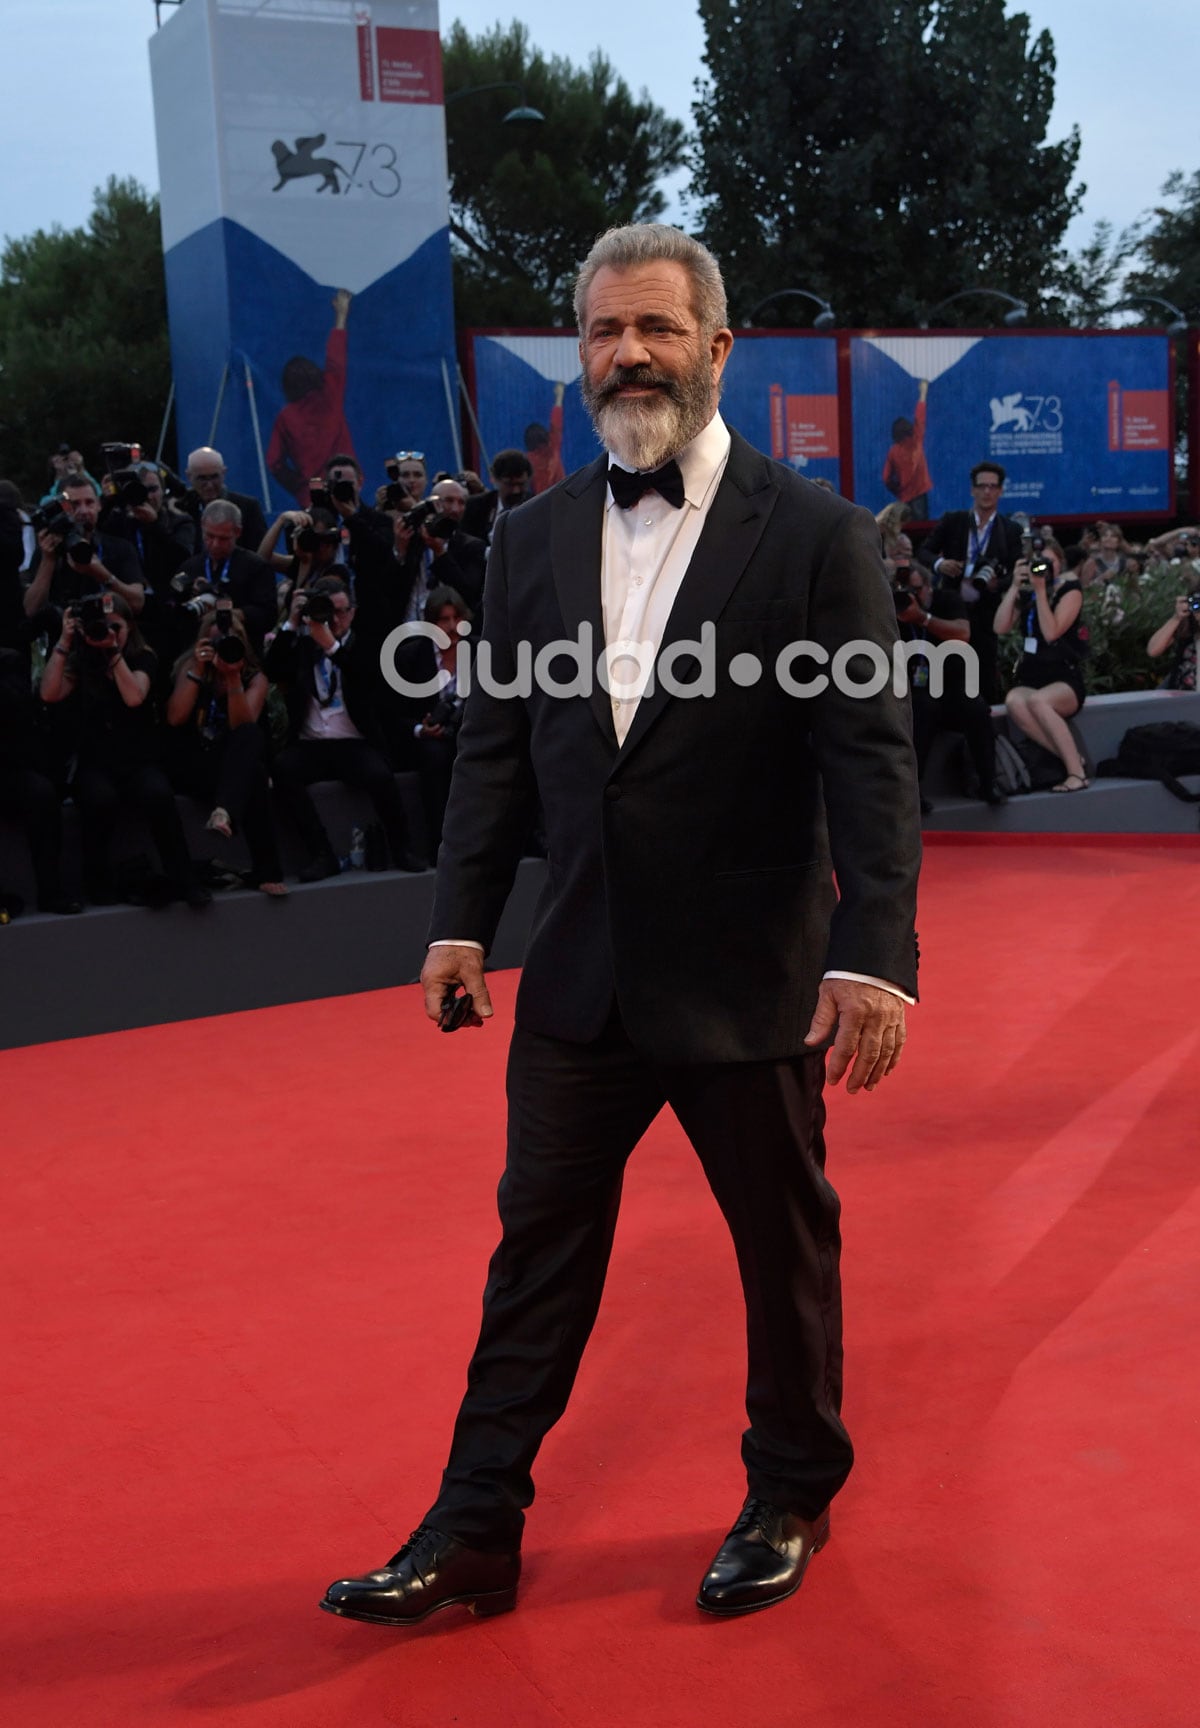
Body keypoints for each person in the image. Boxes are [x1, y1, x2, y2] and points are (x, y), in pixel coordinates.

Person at [322, 222, 920, 1629]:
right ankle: (475, 1527)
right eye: (603, 331)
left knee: (780, 1254)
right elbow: (496, 746)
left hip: (749, 977)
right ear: (578, 354)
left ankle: (790, 1490)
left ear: (719, 348)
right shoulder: (527, 537)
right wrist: (461, 922)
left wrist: (873, 957)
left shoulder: (821, 535)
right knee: (535, 1257)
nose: (628, 354)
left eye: (655, 328)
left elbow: (870, 762)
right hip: (580, 977)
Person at [38, 594, 208, 907]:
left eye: (116, 626)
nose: (109, 632)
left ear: (130, 626)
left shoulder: (143, 656)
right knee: (100, 800)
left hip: (138, 759)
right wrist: (64, 641)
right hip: (93, 762)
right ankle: (97, 883)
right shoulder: (81, 658)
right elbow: (49, 693)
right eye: (103, 627)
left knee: (158, 794)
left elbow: (134, 696)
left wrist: (113, 651)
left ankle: (185, 880)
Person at [265, 575, 425, 879]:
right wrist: (291, 621)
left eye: (341, 611)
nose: (336, 619)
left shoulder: (366, 643)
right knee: (283, 769)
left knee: (380, 775)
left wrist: (333, 648)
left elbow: (369, 682)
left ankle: (402, 847)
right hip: (311, 742)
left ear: (352, 611)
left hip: (354, 741)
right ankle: (321, 853)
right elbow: (272, 669)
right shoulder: (301, 642)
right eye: (329, 611)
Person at [165, 601, 286, 896]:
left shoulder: (253, 676)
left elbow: (242, 726)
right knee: (254, 772)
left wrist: (232, 676)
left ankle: (225, 814)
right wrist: (198, 669)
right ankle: (264, 867)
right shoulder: (189, 667)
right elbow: (175, 717)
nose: (222, 647)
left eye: (229, 642)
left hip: (230, 766)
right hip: (191, 765)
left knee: (253, 753)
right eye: (216, 641)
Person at [891, 549, 1003, 808]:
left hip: (952, 683)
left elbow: (963, 634)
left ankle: (988, 782)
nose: (911, 597)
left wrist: (923, 618)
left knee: (974, 706)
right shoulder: (893, 610)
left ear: (929, 587)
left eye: (917, 590)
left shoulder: (947, 600)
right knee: (922, 707)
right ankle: (913, 791)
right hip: (915, 691)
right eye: (905, 590)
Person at [918, 461, 1024, 702]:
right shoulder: (953, 520)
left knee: (984, 673)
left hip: (987, 611)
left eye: (992, 486)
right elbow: (924, 552)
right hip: (951, 608)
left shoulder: (1011, 530)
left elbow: (1018, 571)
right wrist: (939, 564)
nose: (987, 491)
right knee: (946, 670)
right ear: (972, 490)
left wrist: (999, 583)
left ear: (1000, 491)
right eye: (982, 486)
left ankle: (986, 729)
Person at [994, 535, 1090, 792]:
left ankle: (1076, 774)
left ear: (1060, 563)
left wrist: (1040, 592)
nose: (1044, 569)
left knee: (1038, 702)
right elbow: (1000, 627)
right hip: (1033, 677)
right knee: (1014, 701)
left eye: (1050, 562)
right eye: (1039, 563)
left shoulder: (1070, 592)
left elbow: (1051, 633)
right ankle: (1071, 757)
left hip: (1065, 679)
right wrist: (1015, 586)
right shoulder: (1027, 592)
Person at [266, 291, 356, 504]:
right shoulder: (329, 396)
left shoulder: (285, 417)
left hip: (310, 494)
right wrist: (341, 316)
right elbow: (336, 361)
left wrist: (299, 484)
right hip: (346, 485)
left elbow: (274, 462)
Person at [181, 447, 268, 552]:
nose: (209, 485)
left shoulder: (247, 508)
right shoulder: (183, 508)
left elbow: (261, 553)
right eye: (202, 478)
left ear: (223, 473)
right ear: (189, 476)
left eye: (214, 477)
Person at [881, 380, 932, 519]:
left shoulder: (893, 451)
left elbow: (886, 478)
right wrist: (923, 392)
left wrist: (897, 490)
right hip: (921, 496)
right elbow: (920, 416)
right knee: (923, 532)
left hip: (904, 498)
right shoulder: (916, 438)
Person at [1146, 591, 1199, 690]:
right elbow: (1153, 650)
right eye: (1197, 604)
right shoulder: (1189, 629)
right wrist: (1177, 617)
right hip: (1182, 700)